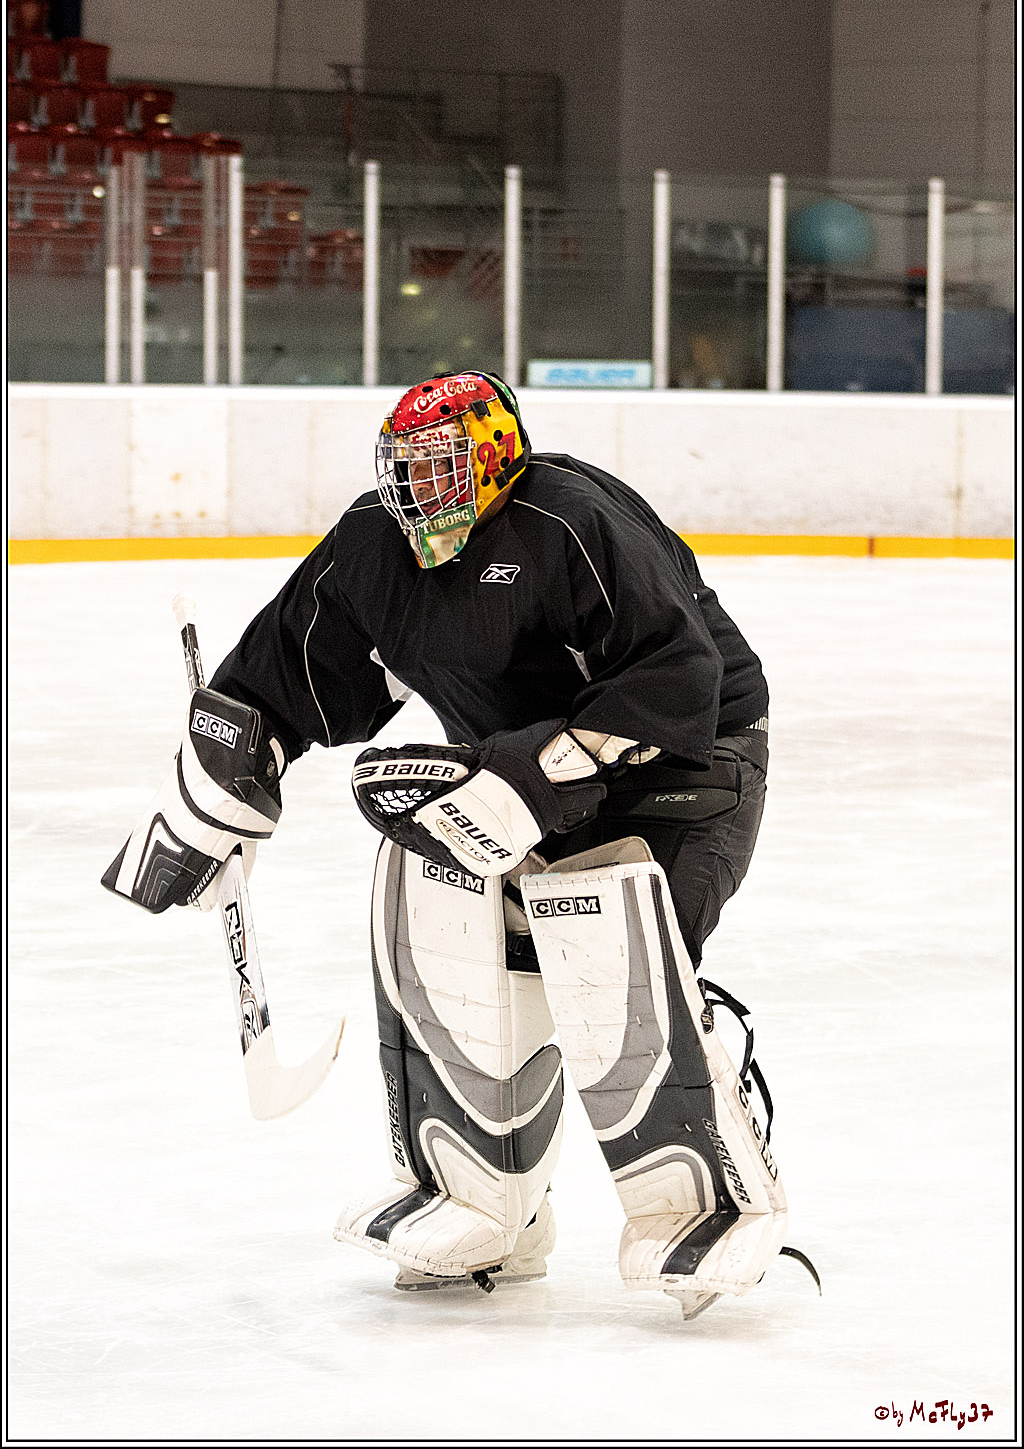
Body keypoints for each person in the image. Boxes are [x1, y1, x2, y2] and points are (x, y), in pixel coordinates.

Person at [102, 371, 792, 1319]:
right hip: (513, 776)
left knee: (605, 940)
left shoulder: (570, 522)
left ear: (498, 453)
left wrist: (537, 775)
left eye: (442, 465)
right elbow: (287, 674)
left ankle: (703, 1194)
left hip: (679, 768)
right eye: (407, 468)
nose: (419, 490)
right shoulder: (371, 549)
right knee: (438, 912)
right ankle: (480, 1198)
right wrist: (215, 798)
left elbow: (680, 676)